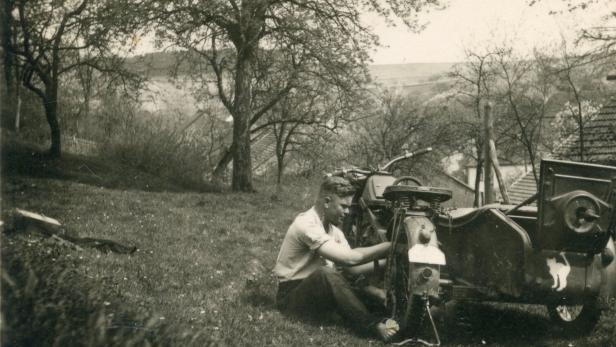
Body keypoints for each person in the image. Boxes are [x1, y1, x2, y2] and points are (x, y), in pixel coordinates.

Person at [273, 175, 398, 341]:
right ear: (326, 202)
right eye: (343, 206)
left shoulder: (335, 232)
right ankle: (372, 326)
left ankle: (400, 322)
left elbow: (352, 269)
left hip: (319, 293)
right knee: (326, 273)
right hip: (291, 298)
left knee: (375, 298)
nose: (347, 212)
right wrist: (392, 246)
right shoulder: (306, 224)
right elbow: (350, 259)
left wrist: (389, 264)